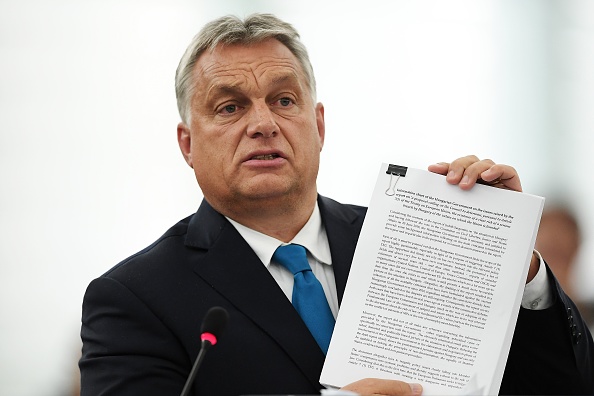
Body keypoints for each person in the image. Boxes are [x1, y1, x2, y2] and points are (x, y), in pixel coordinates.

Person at [79, 13, 594, 396]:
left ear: (318, 125)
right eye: (230, 106)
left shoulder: (413, 242)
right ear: (187, 144)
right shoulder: (133, 301)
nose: (263, 123)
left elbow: (559, 386)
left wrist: (517, 267)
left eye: (284, 100)